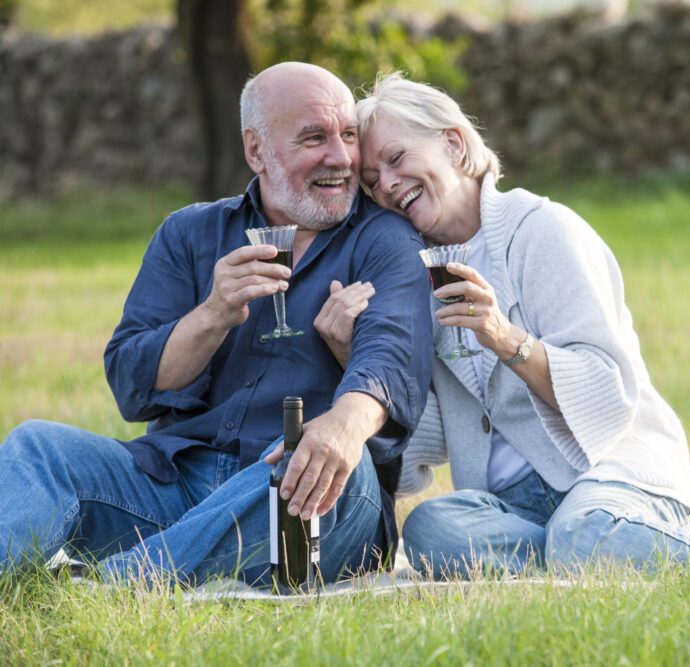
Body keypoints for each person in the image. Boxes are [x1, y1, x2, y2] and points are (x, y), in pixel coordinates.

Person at [0, 62, 432, 586]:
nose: (341, 157)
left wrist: (343, 426)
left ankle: (115, 587)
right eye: (315, 138)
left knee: (318, 465)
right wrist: (211, 316)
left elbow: (392, 359)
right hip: (175, 482)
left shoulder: (386, 239)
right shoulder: (190, 233)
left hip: (312, 491)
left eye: (347, 135)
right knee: (37, 448)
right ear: (256, 151)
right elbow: (132, 387)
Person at [323, 72, 690, 579]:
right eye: (372, 181)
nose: (386, 185)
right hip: (514, 509)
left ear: (454, 145)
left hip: (609, 474)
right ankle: (600, 554)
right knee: (431, 529)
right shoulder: (418, 273)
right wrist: (355, 363)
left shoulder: (544, 230)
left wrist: (504, 337)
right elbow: (425, 441)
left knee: (581, 528)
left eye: (396, 159)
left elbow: (610, 393)